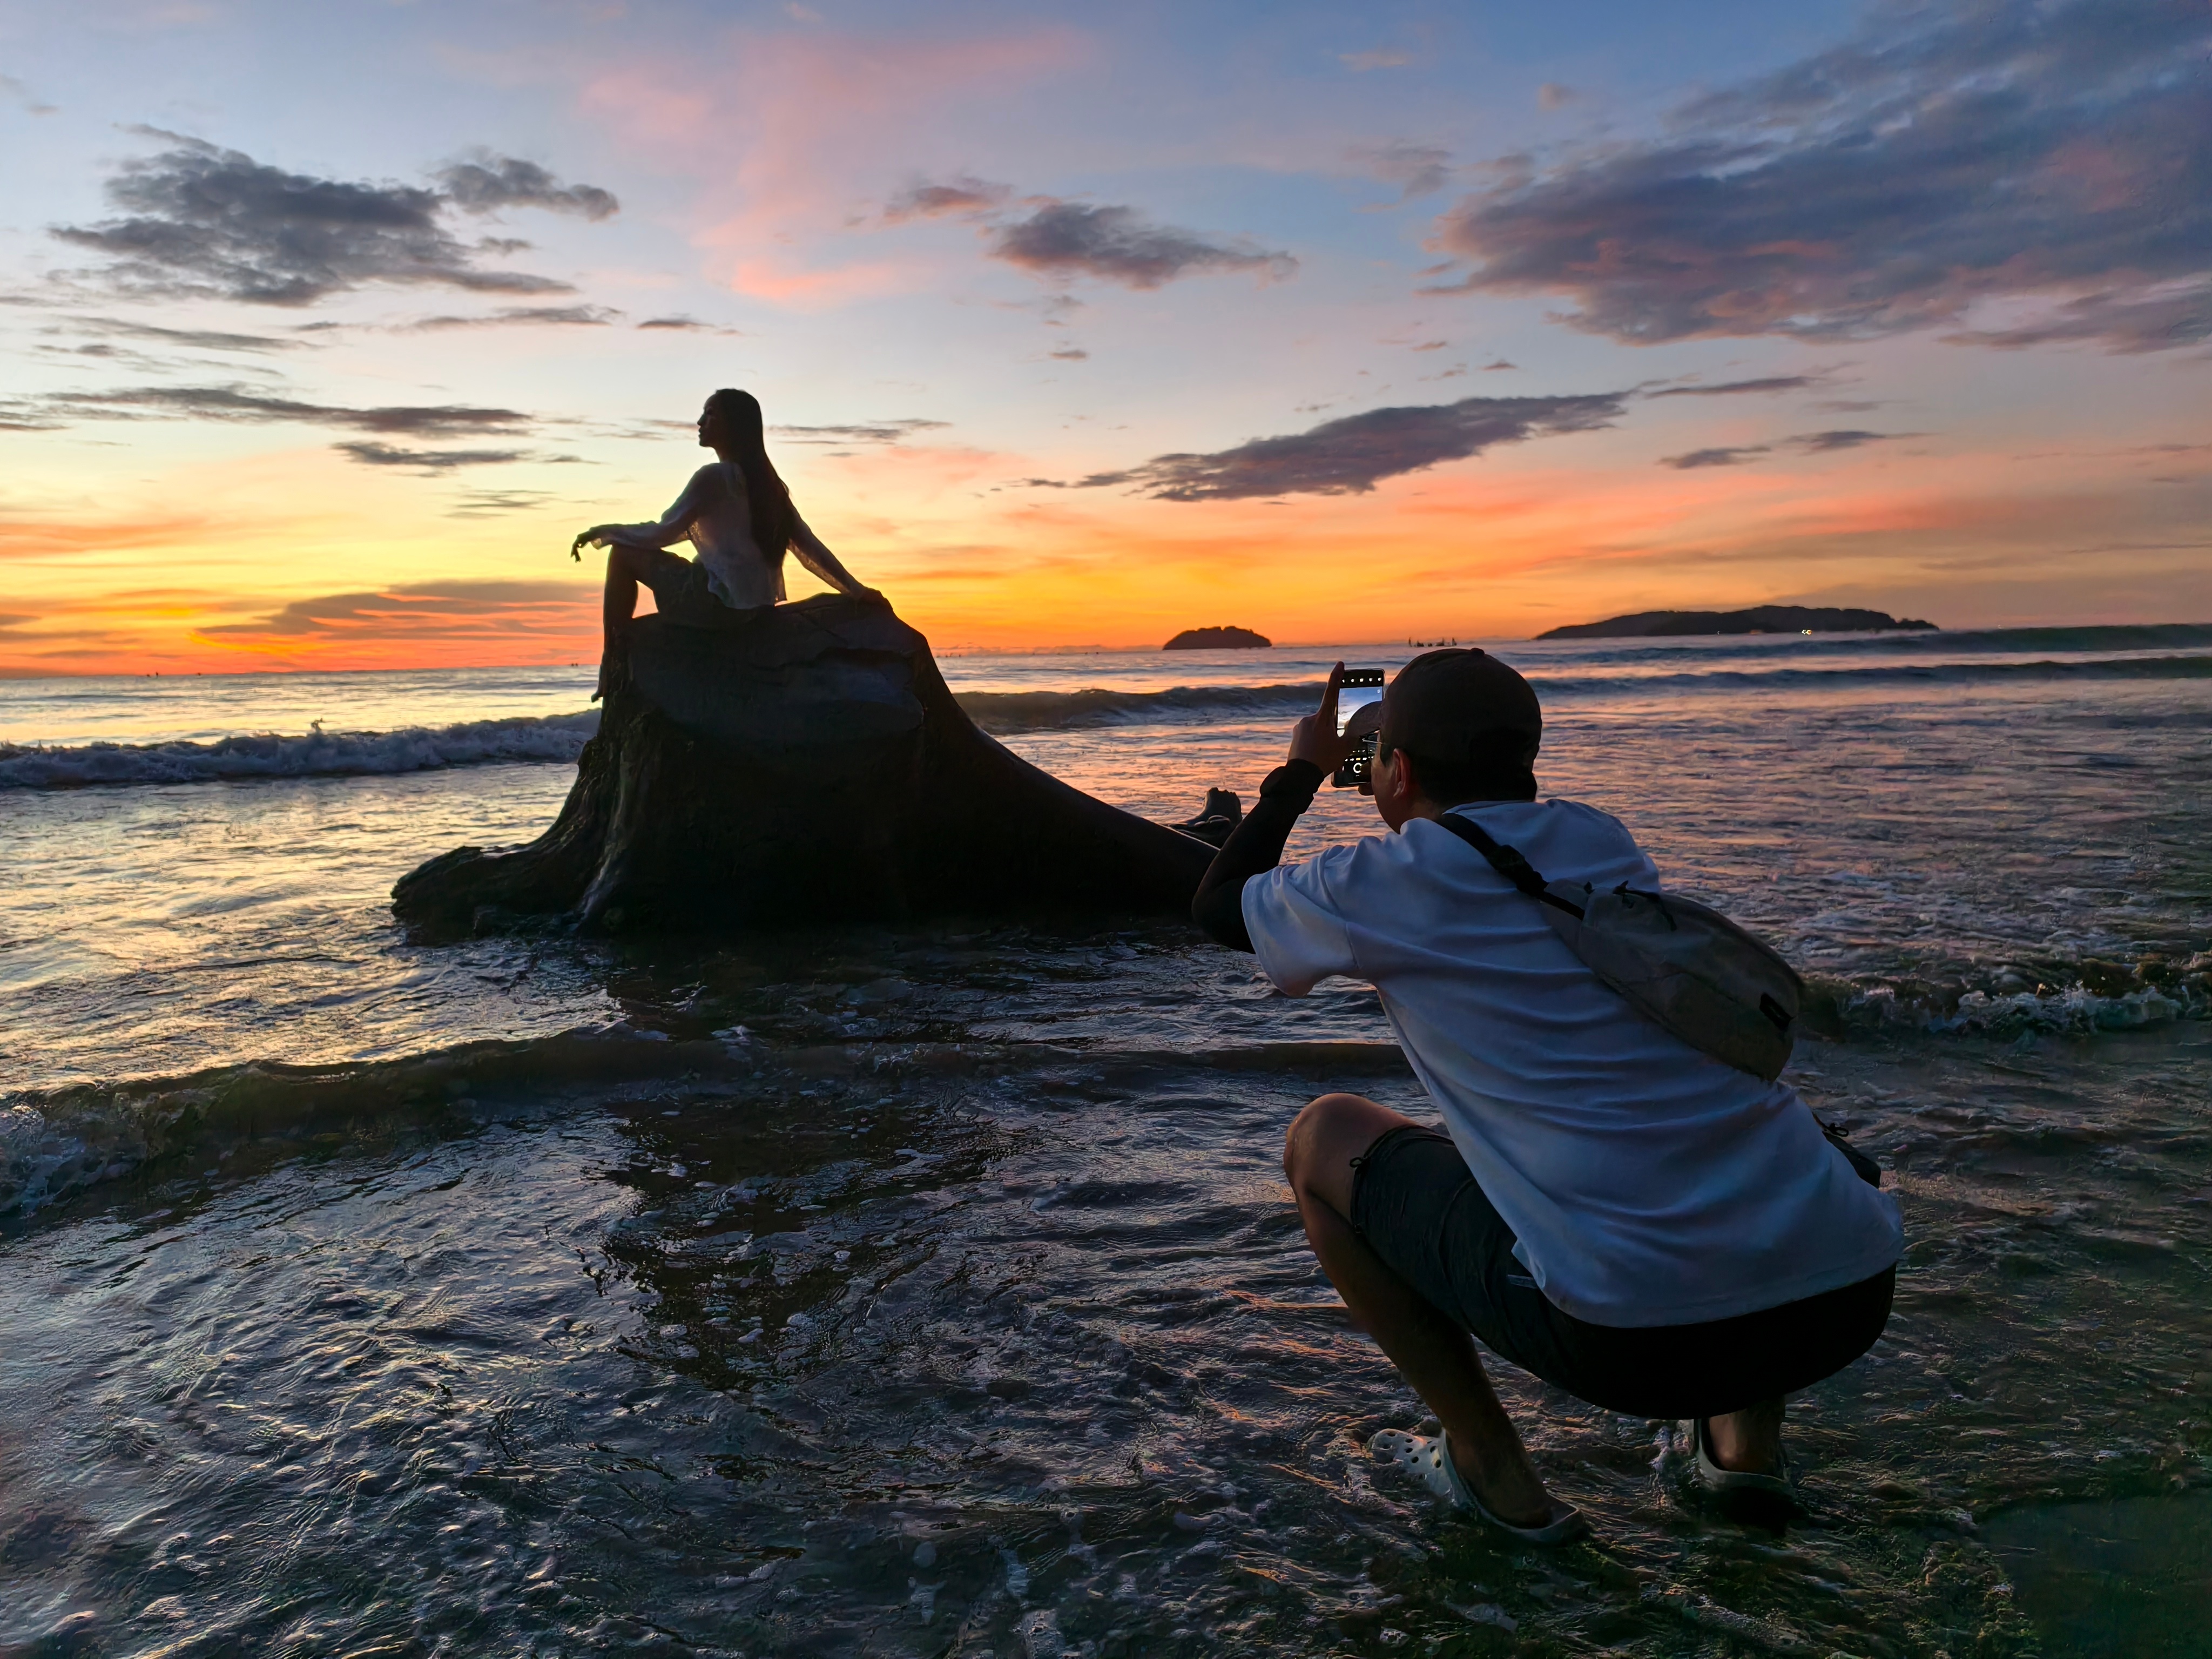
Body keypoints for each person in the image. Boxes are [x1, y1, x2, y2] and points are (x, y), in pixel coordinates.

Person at [1190, 651, 1903, 1543]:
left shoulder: (1380, 882)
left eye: (1380, 760)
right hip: (1844, 1289)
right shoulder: (1601, 839)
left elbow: (1216, 906)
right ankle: (1742, 1454)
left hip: (1637, 1341)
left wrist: (1301, 769)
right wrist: (1376, 761)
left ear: (1395, 770)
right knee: (1732, 1139)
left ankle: (1491, 1469)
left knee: (1322, 1137)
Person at [571, 388, 880, 700]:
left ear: (734, 424)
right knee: (637, 552)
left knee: (622, 554)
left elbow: (661, 534)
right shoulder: (770, 487)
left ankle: (611, 663)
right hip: (752, 613)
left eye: (710, 414)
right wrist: (856, 591)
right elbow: (809, 547)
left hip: (712, 606)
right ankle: (617, 660)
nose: (700, 421)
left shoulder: (714, 478)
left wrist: (603, 533)